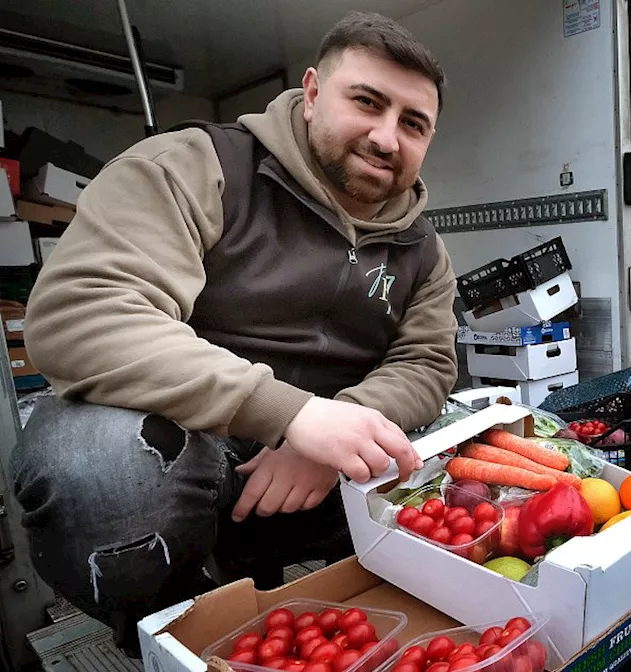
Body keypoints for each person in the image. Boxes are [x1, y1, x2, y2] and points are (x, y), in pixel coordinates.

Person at [11, 12, 457, 655]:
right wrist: (289, 414)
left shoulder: (423, 248)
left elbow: (426, 362)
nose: (387, 137)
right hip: (188, 448)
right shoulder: (193, 167)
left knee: (454, 468)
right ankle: (173, 630)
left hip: (329, 467)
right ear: (310, 94)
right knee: (95, 467)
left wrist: (337, 426)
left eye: (413, 123)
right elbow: (85, 309)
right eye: (366, 102)